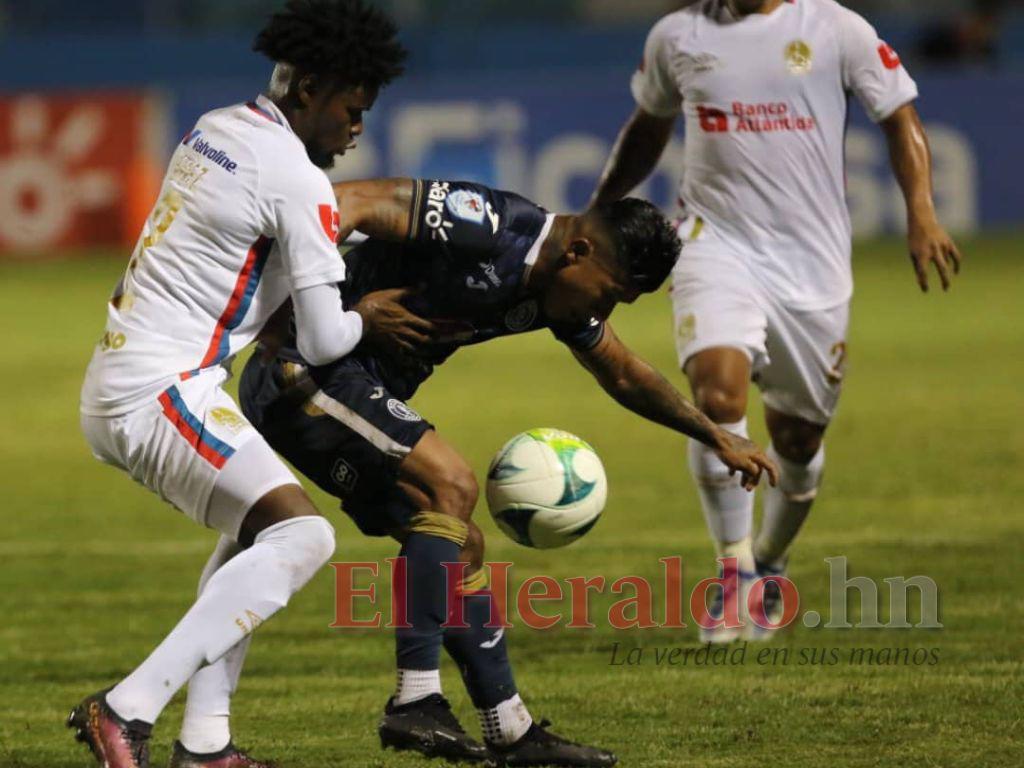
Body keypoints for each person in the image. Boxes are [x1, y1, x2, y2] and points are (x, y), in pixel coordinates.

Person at [236, 177, 779, 766]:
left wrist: (715, 434)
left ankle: (510, 729)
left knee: (461, 544)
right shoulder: (484, 224)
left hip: (354, 387)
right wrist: (311, 308)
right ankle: (415, 700)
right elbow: (347, 203)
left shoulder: (556, 290)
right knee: (451, 484)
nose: (603, 313)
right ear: (578, 252)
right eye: (609, 295)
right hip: (299, 370)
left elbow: (622, 372)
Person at [67, 3, 424, 767]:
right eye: (352, 108)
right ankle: (126, 709)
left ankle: (206, 744)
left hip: (131, 373)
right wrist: (369, 317)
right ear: (311, 90)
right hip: (162, 389)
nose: (357, 128)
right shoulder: (296, 178)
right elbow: (324, 340)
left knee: (254, 529)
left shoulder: (214, 128)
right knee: (305, 536)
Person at [590, 0, 962, 641]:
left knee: (798, 441)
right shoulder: (677, 36)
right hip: (712, 243)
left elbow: (900, 117)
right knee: (717, 394)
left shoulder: (835, 28)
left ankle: (769, 561)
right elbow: (648, 129)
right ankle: (734, 575)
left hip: (811, 267)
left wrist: (922, 213)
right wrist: (599, 210)